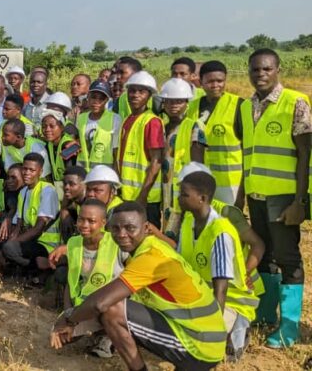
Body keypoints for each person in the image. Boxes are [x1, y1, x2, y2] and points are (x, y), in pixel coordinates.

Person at [50, 202, 227, 371]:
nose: (121, 234)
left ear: (146, 228)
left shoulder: (151, 257)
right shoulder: (147, 249)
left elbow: (100, 303)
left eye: (130, 228)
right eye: (115, 228)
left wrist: (69, 318)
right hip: (202, 336)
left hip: (201, 347)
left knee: (111, 309)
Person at [242, 48, 311, 348]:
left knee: (287, 258)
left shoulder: (295, 102)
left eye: (267, 69)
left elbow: (305, 155)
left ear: (278, 69)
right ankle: (266, 313)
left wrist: (301, 201)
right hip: (256, 194)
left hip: (283, 196)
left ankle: (290, 327)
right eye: (255, 70)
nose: (261, 74)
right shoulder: (246, 107)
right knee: (265, 256)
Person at [177, 171, 261, 361]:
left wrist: (212, 329)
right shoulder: (189, 220)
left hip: (230, 301)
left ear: (202, 199)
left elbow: (221, 289)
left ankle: (236, 326)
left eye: (184, 195)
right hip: (200, 295)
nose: (179, 199)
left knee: (197, 337)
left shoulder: (220, 231)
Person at [62, 199, 127, 359]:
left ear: (103, 222)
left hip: (111, 309)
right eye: (80, 219)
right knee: (60, 337)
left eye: (91, 221)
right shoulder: (73, 243)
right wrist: (68, 316)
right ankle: (93, 330)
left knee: (108, 311)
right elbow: (70, 283)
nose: (84, 225)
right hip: (84, 308)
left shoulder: (117, 244)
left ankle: (108, 336)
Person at [186, 61, 245, 207]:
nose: (215, 85)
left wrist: (242, 193)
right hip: (201, 183)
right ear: (201, 82)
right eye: (210, 81)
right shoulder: (192, 107)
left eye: (220, 81)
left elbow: (247, 148)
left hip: (231, 185)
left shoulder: (238, 105)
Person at [117, 71, 164, 228]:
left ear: (149, 95)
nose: (135, 95)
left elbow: (156, 161)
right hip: (128, 195)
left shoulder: (152, 122)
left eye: (141, 91)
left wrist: (143, 196)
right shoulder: (128, 120)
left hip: (146, 199)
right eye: (132, 90)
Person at [0, 153, 60, 274]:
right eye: (25, 169)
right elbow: (18, 227)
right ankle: (29, 270)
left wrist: (10, 246)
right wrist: (2, 252)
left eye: (32, 170)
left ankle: (42, 267)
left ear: (40, 172)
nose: (27, 173)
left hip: (47, 245)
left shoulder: (47, 190)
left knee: (10, 248)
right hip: (32, 241)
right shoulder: (23, 192)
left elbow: (38, 228)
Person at [161, 78, 205, 211]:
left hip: (186, 191)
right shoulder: (163, 127)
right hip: (167, 191)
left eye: (179, 101)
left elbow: (198, 164)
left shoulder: (194, 126)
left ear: (187, 103)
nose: (173, 105)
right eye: (169, 101)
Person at [76, 80, 120, 171]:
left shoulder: (115, 119)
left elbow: (116, 150)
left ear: (107, 100)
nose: (96, 102)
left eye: (101, 99)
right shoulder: (81, 118)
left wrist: (116, 175)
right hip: (83, 172)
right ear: (88, 97)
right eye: (93, 97)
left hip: (104, 173)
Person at [41, 110, 80, 188]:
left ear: (62, 127)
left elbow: (70, 175)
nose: (47, 129)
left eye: (52, 126)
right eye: (44, 127)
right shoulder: (49, 144)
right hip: (59, 186)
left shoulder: (68, 145)